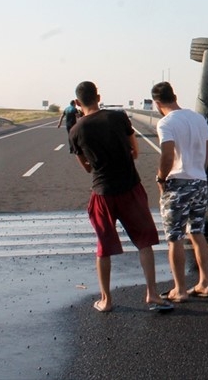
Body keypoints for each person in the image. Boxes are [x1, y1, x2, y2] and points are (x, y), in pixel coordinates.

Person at [68, 81, 172, 313]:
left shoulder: (75, 131)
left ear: (77, 103)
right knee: (144, 242)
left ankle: (106, 300)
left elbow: (86, 167)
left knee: (103, 248)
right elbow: (135, 151)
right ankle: (152, 294)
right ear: (99, 96)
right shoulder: (118, 117)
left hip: (102, 193)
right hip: (130, 188)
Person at [151, 81, 208, 301]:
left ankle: (179, 289)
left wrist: (161, 178)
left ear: (157, 103)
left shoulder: (166, 123)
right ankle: (204, 283)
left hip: (177, 183)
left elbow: (167, 155)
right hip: (199, 180)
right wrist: (200, 170)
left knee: (175, 237)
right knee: (197, 232)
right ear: (175, 96)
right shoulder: (199, 118)